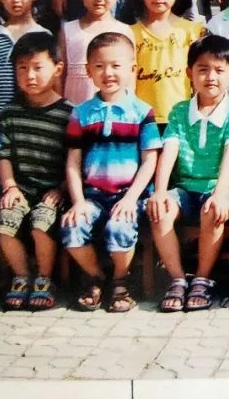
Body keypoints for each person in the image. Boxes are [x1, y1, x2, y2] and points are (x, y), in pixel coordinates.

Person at [146, 35, 229, 312]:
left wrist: (219, 194)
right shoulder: (179, 112)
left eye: (219, 70)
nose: (210, 77)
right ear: (189, 72)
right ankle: (178, 279)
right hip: (185, 188)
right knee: (160, 210)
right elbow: (169, 152)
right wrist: (159, 192)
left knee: (212, 210)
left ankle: (202, 279)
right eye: (203, 69)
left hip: (222, 188)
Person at [61, 32, 161, 312]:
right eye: (100, 66)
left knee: (119, 228)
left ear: (132, 68)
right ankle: (96, 277)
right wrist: (78, 201)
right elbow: (73, 162)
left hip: (128, 196)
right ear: (88, 70)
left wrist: (130, 199)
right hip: (92, 196)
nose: (108, 73)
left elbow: (149, 160)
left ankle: (120, 280)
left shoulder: (141, 112)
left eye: (116, 66)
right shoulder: (81, 113)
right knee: (72, 227)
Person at [0, 32, 72, 311]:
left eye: (38, 67)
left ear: (57, 69)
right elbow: (3, 155)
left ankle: (44, 278)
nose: (30, 75)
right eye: (22, 68)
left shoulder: (69, 114)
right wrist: (10, 186)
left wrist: (61, 189)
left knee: (42, 223)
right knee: (6, 222)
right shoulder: (9, 113)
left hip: (54, 191)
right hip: (21, 188)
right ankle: (21, 276)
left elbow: (74, 161)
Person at [131, 0, 207, 128]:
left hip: (181, 119)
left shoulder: (193, 31)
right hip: (143, 119)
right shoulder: (130, 33)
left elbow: (198, 79)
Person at [59, 0, 130, 105]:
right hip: (74, 112)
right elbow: (59, 76)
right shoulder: (68, 30)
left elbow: (130, 79)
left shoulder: (124, 31)